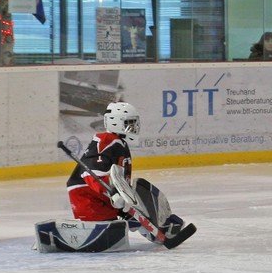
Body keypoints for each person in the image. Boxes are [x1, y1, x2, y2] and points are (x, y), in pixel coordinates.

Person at [37, 102, 194, 252]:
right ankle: (157, 229)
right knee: (125, 218)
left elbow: (118, 179)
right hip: (88, 197)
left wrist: (122, 199)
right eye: (129, 123)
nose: (134, 127)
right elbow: (92, 173)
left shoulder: (119, 143)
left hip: (105, 196)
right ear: (117, 123)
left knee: (140, 194)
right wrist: (111, 193)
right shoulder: (107, 140)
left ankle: (161, 226)